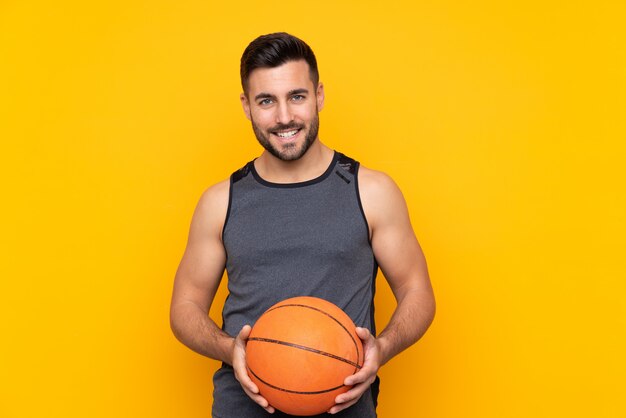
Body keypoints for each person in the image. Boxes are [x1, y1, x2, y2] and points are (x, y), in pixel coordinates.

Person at [170, 32, 436, 417]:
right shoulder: (220, 201)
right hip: (241, 407)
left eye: (297, 96)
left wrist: (384, 347)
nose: (284, 117)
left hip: (344, 405)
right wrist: (230, 349)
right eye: (266, 101)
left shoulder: (372, 191)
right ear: (246, 106)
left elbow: (417, 291)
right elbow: (185, 306)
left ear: (319, 96)